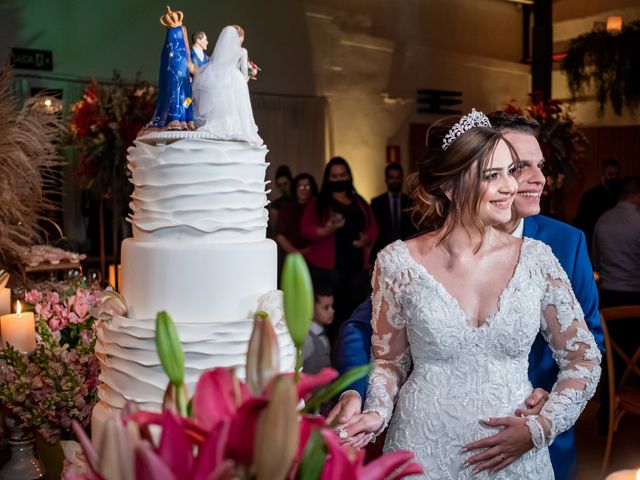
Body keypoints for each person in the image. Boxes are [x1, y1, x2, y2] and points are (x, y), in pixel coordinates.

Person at [331, 111, 602, 479]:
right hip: (421, 449)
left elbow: (584, 359)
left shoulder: (538, 259)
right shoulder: (397, 263)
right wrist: (376, 412)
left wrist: (542, 426)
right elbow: (389, 362)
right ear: (450, 186)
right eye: (493, 175)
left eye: (511, 171)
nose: (510, 186)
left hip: (515, 456)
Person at [300, 157, 378, 341]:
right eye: (334, 176)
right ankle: (328, 356)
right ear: (328, 179)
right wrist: (326, 229)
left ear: (349, 176)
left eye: (342, 175)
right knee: (331, 318)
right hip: (330, 271)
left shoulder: (359, 201)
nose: (339, 179)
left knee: (356, 314)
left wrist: (367, 239)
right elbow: (305, 229)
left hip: (357, 268)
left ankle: (351, 351)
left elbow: (373, 226)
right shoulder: (319, 203)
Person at [192, 25, 262, 145]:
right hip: (235, 79)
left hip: (219, 79)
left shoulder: (221, 51)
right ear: (239, 38)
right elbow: (245, 75)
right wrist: (246, 77)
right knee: (234, 107)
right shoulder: (242, 51)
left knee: (222, 105)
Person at [592, 176, 640, 308]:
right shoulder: (638, 219)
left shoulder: (603, 219)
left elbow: (596, 259)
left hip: (608, 293)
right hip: (636, 293)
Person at [146, 7, 195, 131]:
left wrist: (189, 67)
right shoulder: (171, 32)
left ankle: (186, 119)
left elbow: (187, 49)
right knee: (175, 93)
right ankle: (175, 119)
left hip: (183, 68)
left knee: (187, 94)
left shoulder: (182, 29)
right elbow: (168, 52)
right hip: (173, 68)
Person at [370, 163, 417, 261]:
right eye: (391, 177)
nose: (395, 180)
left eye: (398, 177)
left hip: (408, 251)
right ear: (386, 179)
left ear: (402, 179)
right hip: (383, 251)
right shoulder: (376, 203)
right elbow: (374, 231)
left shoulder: (411, 202)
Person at [574, 158, 621, 251]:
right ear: (602, 175)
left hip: (615, 243)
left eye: (617, 175)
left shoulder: (620, 195)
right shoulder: (590, 196)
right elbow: (581, 222)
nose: (614, 178)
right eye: (610, 174)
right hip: (594, 243)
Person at [275, 173, 318, 255]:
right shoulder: (287, 209)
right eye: (300, 186)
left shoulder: (318, 209)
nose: (303, 189)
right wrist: (295, 252)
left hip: (316, 254)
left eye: (307, 186)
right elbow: (280, 236)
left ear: (312, 189)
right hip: (292, 255)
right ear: (295, 188)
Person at [302, 287, 335, 374]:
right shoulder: (306, 340)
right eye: (326, 307)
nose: (332, 311)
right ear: (311, 309)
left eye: (332, 306)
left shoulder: (324, 337)